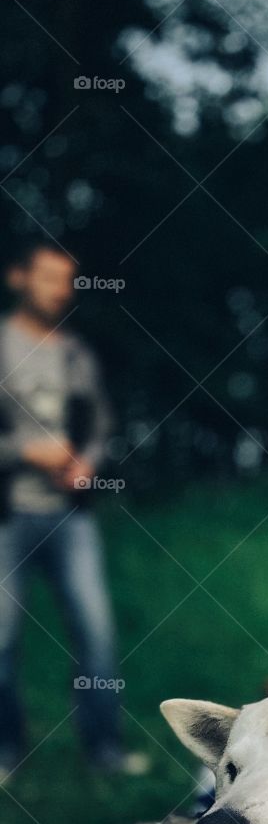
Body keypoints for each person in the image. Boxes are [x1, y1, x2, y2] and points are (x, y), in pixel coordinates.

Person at [0, 239, 142, 780]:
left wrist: (86, 462)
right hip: (8, 515)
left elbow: (101, 426)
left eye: (67, 280)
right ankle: (6, 750)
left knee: (97, 634)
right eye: (49, 277)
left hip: (71, 516)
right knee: (2, 639)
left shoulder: (77, 354)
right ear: (19, 278)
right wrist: (23, 451)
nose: (61, 290)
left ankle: (105, 752)